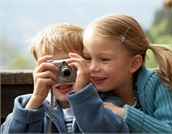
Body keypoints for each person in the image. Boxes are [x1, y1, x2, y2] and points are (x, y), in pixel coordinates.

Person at [1, 23, 129, 133]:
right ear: (38, 70)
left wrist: (82, 94)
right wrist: (35, 100)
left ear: (86, 65)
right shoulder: (28, 105)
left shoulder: (105, 104)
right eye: (52, 66)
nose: (62, 73)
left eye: (69, 66)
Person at [75, 13, 172, 133]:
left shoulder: (158, 83)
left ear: (134, 64)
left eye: (104, 59)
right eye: (87, 58)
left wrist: (124, 113)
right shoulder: (89, 92)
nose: (93, 68)